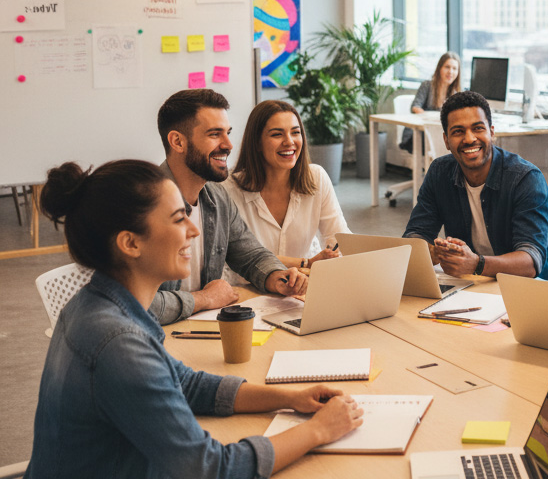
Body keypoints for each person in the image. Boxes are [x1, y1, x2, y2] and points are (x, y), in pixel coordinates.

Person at [27, 160, 364, 478]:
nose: (193, 230)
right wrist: (318, 430)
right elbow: (211, 469)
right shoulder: (118, 343)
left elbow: (185, 385)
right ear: (130, 243)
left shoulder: (97, 304)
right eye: (177, 219)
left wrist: (289, 398)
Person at [150, 89, 307, 325]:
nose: (228, 145)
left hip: (201, 329)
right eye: (214, 134)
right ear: (178, 142)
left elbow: (251, 256)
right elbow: (135, 303)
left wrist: (279, 277)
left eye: (228, 133)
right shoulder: (143, 205)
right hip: (157, 338)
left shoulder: (217, 197)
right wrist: (203, 299)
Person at [404, 91, 548, 283]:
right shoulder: (439, 172)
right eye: (458, 131)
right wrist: (432, 252)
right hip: (474, 286)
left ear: (492, 132)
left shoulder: (525, 179)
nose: (469, 138)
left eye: (478, 128)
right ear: (446, 141)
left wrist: (476, 264)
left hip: (533, 289)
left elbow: (530, 261)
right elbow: (414, 236)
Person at [223, 100, 350, 275]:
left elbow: (339, 238)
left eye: (295, 132)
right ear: (257, 142)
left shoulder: (316, 177)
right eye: (277, 134)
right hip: (249, 290)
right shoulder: (226, 189)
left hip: (303, 287)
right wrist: (306, 263)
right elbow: (237, 256)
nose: (289, 142)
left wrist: (332, 255)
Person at [400, 52, 461, 153]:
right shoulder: (427, 85)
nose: (450, 71)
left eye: (454, 68)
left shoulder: (456, 94)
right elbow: (415, 107)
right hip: (419, 134)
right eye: (447, 67)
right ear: (439, 68)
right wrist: (432, 118)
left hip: (440, 136)